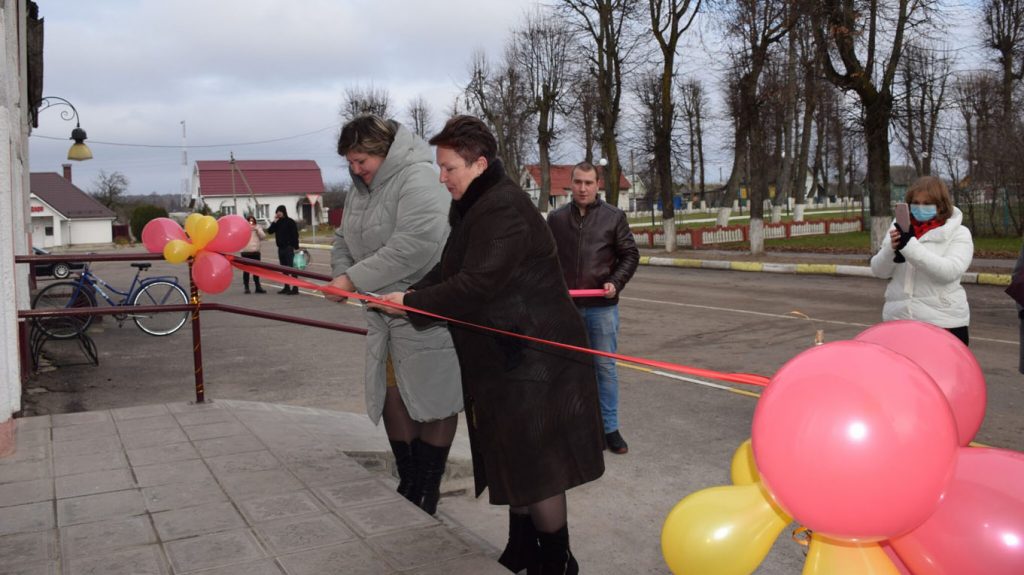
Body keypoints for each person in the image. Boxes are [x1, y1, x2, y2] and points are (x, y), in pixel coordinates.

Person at [375, 116, 604, 575]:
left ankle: (557, 561)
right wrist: (404, 297)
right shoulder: (474, 205)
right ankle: (522, 548)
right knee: (509, 455)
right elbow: (449, 269)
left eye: (449, 168)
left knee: (536, 466)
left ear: (479, 164)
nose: (442, 178)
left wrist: (414, 303)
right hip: (505, 358)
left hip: (536, 360)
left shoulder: (503, 208)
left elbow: (477, 284)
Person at [327, 115, 463, 516]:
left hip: (424, 308)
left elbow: (417, 243)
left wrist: (352, 279)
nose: (355, 170)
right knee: (392, 395)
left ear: (384, 154)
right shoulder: (360, 189)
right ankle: (409, 480)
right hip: (382, 311)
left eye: (361, 161)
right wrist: (342, 272)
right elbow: (342, 238)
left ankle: (427, 485)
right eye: (349, 163)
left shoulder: (419, 177)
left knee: (434, 399)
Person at [547, 161, 639, 455]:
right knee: (569, 371)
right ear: (570, 184)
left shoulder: (613, 217)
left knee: (604, 369)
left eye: (588, 183)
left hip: (602, 309)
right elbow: (546, 259)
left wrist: (616, 281)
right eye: (578, 182)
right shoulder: (556, 219)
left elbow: (630, 255)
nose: (583, 188)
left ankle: (609, 429)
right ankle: (575, 428)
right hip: (566, 310)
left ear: (597, 184)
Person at [870, 175, 973, 345]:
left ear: (941, 206)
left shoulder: (959, 233)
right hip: (899, 320)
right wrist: (891, 249)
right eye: (915, 203)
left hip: (943, 323)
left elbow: (949, 272)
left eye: (927, 204)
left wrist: (909, 246)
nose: (919, 207)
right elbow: (879, 271)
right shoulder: (900, 228)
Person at [265, 205, 299, 294]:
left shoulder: (290, 222)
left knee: (292, 268)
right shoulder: (277, 222)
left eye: (279, 211)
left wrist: (296, 247)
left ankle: (295, 288)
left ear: (283, 211)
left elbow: (295, 235)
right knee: (284, 269)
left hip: (289, 248)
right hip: (280, 248)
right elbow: (270, 231)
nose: (278, 213)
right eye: (277, 212)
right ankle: (286, 287)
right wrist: (274, 221)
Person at [240, 216, 266, 294]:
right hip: (246, 252)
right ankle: (246, 287)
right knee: (246, 271)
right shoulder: (243, 228)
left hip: (255, 251)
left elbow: (263, 237)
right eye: (249, 221)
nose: (251, 223)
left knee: (256, 270)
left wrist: (257, 230)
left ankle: (258, 286)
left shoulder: (257, 227)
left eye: (252, 221)